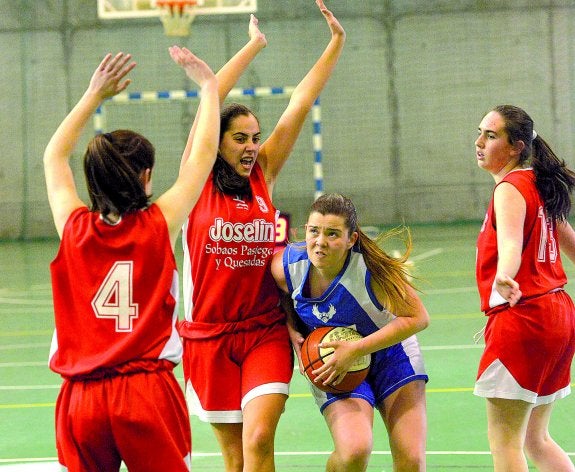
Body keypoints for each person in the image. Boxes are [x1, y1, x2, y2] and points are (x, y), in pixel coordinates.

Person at [177, 2, 346, 471]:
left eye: (255, 137)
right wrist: (253, 46)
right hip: (207, 338)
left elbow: (299, 103)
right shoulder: (197, 183)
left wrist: (336, 43)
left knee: (259, 439)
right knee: (234, 457)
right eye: (240, 138)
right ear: (218, 142)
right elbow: (210, 98)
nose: (252, 146)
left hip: (263, 331)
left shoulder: (264, 175)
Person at [44, 47, 219, 471]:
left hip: (81, 397)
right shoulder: (160, 223)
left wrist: (92, 95)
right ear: (145, 177)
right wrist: (210, 87)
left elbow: (54, 156)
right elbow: (203, 155)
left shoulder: (72, 226)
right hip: (145, 391)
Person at [271, 193, 429, 472]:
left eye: (332, 234)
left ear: (351, 239)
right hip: (335, 363)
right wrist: (290, 325)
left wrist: (357, 349)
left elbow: (418, 318)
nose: (320, 242)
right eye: (313, 231)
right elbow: (277, 294)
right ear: (303, 231)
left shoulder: (372, 272)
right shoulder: (288, 266)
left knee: (411, 460)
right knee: (354, 452)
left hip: (393, 356)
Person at [474, 105, 575, 471]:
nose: (479, 142)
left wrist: (505, 277)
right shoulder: (539, 184)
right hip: (559, 315)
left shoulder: (511, 187)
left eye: (491, 135)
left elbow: (512, 246)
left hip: (525, 319)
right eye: (481, 133)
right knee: (537, 438)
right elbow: (571, 244)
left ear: (516, 146)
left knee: (506, 446)